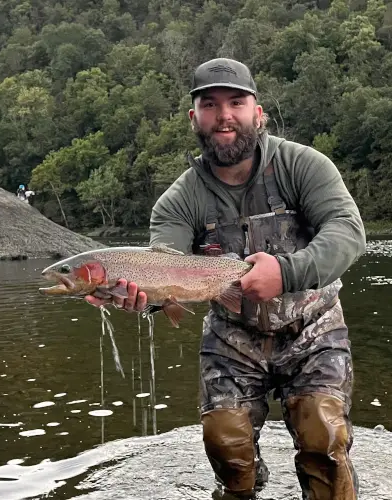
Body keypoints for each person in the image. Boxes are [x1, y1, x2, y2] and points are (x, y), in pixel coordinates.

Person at [86, 58, 366, 500]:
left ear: (259, 112)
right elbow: (166, 266)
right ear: (193, 117)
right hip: (232, 337)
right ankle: (247, 483)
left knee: (324, 442)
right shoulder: (178, 201)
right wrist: (145, 297)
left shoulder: (304, 166)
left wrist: (286, 271)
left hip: (314, 329)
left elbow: (348, 233)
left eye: (236, 102)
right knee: (226, 446)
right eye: (210, 104)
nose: (224, 115)